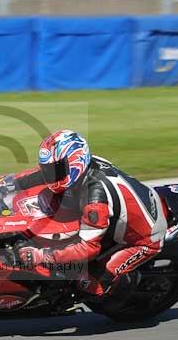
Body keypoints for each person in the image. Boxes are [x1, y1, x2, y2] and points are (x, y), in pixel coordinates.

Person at [15, 129, 167, 310]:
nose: (50, 175)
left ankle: (126, 287)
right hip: (118, 217)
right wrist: (9, 185)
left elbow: (88, 248)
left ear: (76, 162)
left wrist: (42, 255)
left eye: (55, 170)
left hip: (141, 239)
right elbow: (39, 176)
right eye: (48, 169)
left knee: (89, 286)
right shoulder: (79, 169)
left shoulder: (94, 198)